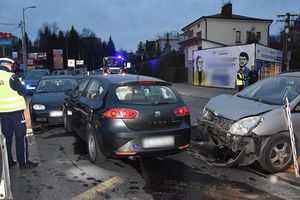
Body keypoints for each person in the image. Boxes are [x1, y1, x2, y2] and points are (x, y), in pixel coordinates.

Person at [0, 58, 38, 169]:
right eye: (12, 65)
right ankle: (23, 162)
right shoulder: (11, 77)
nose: (12, 67)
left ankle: (8, 161)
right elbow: (22, 91)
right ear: (8, 65)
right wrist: (28, 90)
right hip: (16, 113)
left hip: (2, 114)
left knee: (7, 138)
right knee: (20, 137)